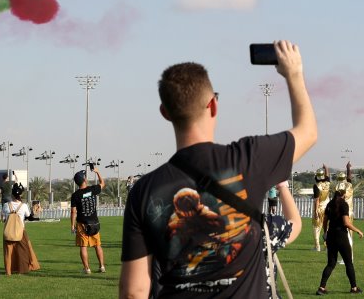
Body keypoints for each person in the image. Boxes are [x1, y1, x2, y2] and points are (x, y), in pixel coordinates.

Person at [119, 39, 317, 298]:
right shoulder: (249, 158)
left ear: (165, 113)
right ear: (213, 104)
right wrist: (293, 73)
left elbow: (135, 291)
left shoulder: (144, 191)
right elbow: (308, 132)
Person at [316, 189, 364, 295]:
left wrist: (325, 232)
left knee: (331, 263)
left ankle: (321, 288)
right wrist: (358, 230)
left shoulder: (329, 204)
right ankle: (354, 288)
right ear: (343, 196)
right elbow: (346, 223)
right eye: (345, 196)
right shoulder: (344, 205)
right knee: (348, 263)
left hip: (331, 235)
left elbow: (324, 221)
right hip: (341, 236)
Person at [71, 165, 107, 274]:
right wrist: (97, 172)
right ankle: (102, 266)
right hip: (94, 223)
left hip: (82, 224)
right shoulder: (92, 190)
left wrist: (72, 225)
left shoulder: (75, 195)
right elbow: (103, 184)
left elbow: (73, 212)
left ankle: (87, 269)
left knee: (83, 246)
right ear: (85, 180)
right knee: (98, 245)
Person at [1, 182, 41, 275]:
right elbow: (29, 217)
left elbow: (3, 218)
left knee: (8, 253)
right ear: (20, 195)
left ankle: (8, 271)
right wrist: (34, 212)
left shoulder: (6, 205)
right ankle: (21, 269)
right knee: (23, 252)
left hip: (8, 232)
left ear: (12, 195)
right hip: (20, 232)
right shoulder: (23, 206)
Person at [311, 165, 331, 252]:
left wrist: (315, 211)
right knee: (326, 228)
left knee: (316, 227)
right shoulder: (327, 183)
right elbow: (327, 176)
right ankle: (327, 246)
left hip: (319, 208)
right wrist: (326, 168)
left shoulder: (316, 186)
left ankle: (317, 246)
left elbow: (316, 200)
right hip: (327, 208)